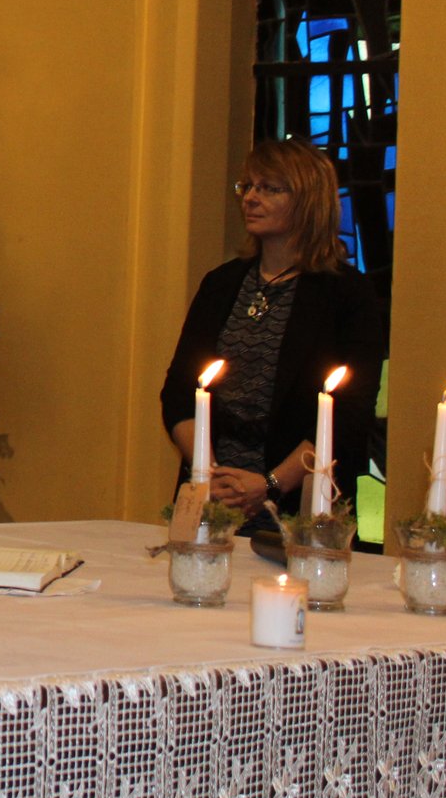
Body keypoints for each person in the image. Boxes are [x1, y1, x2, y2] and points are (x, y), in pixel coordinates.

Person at [158, 139, 384, 531]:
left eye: (269, 188)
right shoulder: (221, 283)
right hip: (212, 496)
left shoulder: (346, 293)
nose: (250, 198)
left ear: (308, 201)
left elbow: (349, 411)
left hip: (299, 501)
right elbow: (179, 392)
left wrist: (271, 484)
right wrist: (210, 474)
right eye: (247, 186)